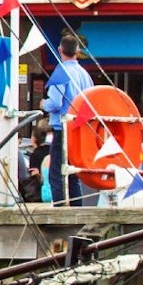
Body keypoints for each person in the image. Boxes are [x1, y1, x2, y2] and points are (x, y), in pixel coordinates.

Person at [41, 35, 93, 207]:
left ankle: (60, 209)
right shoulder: (85, 75)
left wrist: (44, 104)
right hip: (79, 129)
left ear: (60, 50)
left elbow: (55, 103)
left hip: (62, 129)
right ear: (78, 51)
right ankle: (77, 209)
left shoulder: (61, 71)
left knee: (56, 173)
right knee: (73, 174)